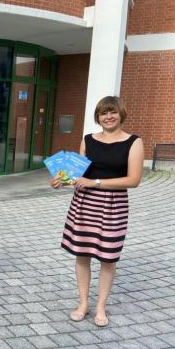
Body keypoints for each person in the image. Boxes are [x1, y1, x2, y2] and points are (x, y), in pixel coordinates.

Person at [50, 95, 144, 327]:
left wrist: (96, 183)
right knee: (82, 255)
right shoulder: (88, 140)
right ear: (98, 117)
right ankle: (83, 303)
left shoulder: (134, 142)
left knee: (107, 258)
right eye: (103, 113)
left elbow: (133, 180)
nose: (108, 117)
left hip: (113, 206)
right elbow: (78, 175)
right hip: (84, 204)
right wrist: (62, 180)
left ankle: (101, 307)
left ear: (121, 114)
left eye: (113, 112)